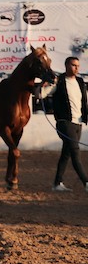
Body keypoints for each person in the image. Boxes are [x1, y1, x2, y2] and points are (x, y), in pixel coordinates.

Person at [46, 56, 88, 192]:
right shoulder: (59, 81)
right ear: (66, 65)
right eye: (73, 65)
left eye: (78, 66)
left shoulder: (80, 82)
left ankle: (57, 183)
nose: (76, 68)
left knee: (67, 153)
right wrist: (44, 86)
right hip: (65, 123)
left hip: (78, 123)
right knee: (75, 152)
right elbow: (42, 94)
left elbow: (84, 102)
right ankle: (86, 182)